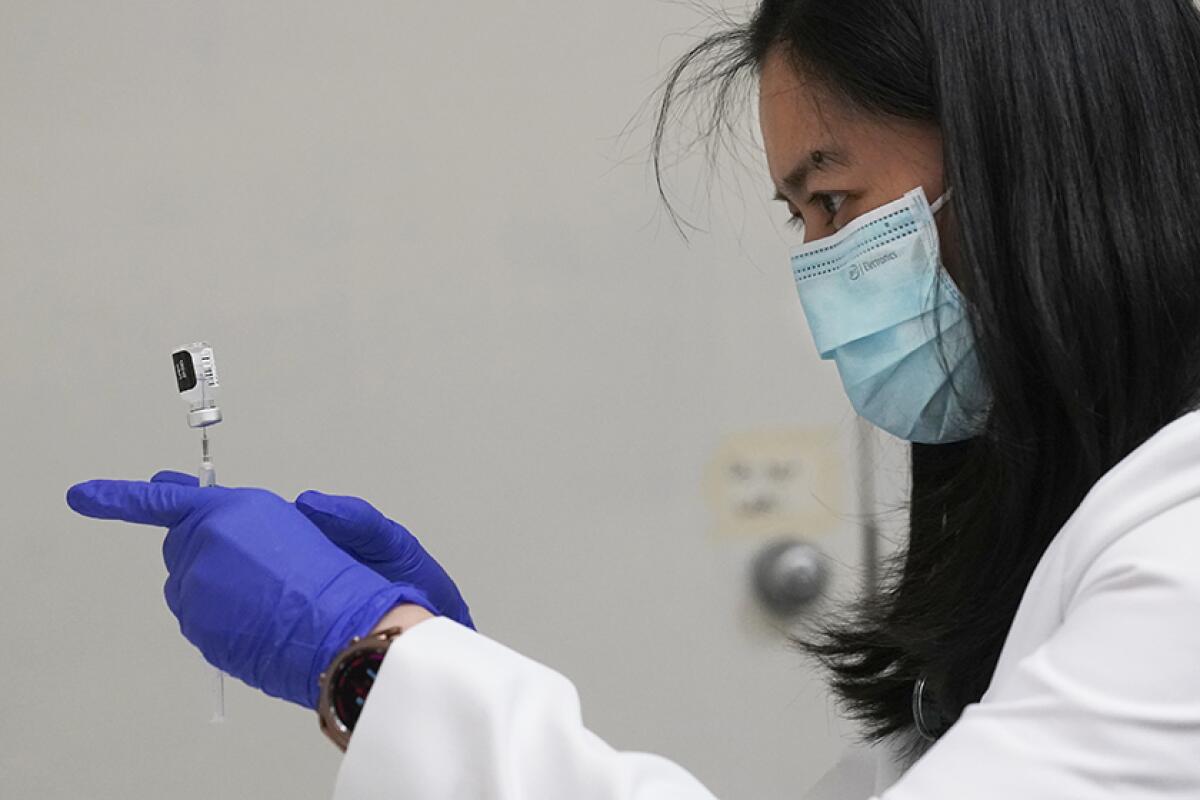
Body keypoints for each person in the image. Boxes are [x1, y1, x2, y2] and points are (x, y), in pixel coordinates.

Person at [66, 0, 1200, 796]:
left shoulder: (1183, 568)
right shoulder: (1100, 542)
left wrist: (373, 656)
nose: (824, 285)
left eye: (836, 201)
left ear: (1033, 150)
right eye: (799, 221)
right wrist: (428, 684)